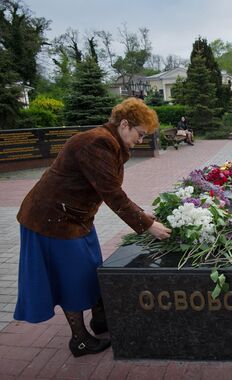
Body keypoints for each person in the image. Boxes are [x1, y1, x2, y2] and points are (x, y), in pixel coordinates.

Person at [14, 98, 172, 357]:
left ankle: (100, 321)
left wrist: (144, 215)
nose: (141, 140)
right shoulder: (96, 142)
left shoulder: (109, 142)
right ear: (124, 125)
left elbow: (109, 187)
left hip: (75, 217)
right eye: (140, 134)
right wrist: (147, 224)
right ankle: (80, 340)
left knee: (91, 267)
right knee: (70, 277)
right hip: (52, 220)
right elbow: (112, 193)